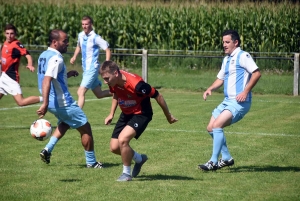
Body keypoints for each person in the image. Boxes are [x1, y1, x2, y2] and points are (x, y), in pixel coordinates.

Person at [99, 60, 178, 181]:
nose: (105, 82)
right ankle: (139, 159)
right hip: (126, 113)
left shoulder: (137, 85)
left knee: (123, 140)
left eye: (106, 79)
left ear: (115, 73)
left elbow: (158, 95)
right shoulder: (113, 81)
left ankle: (126, 174)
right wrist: (111, 114)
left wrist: (168, 116)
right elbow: (116, 93)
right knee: (114, 147)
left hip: (142, 113)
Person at [37, 29, 103, 168]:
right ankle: (91, 163)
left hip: (53, 103)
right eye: (64, 41)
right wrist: (45, 103)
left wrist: (66, 74)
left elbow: (49, 76)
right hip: (62, 103)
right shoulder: (56, 58)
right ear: (55, 42)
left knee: (65, 123)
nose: (68, 43)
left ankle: (47, 149)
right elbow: (47, 80)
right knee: (86, 129)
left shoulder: (44, 55)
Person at [198, 30, 261, 171]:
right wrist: (210, 89)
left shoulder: (243, 56)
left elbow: (257, 73)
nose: (224, 45)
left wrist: (245, 91)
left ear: (235, 42)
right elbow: (221, 78)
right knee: (210, 128)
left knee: (217, 125)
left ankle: (213, 161)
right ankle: (226, 158)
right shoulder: (227, 59)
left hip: (239, 102)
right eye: (223, 42)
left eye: (227, 42)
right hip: (227, 101)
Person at [70, 16, 112, 109]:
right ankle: (119, 92)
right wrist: (74, 56)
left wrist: (106, 65)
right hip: (86, 69)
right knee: (99, 94)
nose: (84, 26)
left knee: (80, 92)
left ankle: (76, 116)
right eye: (83, 24)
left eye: (86, 24)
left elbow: (107, 50)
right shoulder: (81, 35)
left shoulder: (95, 37)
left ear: (91, 25)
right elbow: (79, 46)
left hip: (92, 68)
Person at [0, 24, 43, 106]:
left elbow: (28, 55)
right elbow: (5, 60)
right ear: (4, 34)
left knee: (21, 102)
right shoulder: (4, 44)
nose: (9, 36)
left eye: (12, 33)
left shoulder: (16, 45)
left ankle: (45, 98)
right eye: (7, 33)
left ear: (15, 34)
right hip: (3, 77)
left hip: (11, 78)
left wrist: (30, 64)